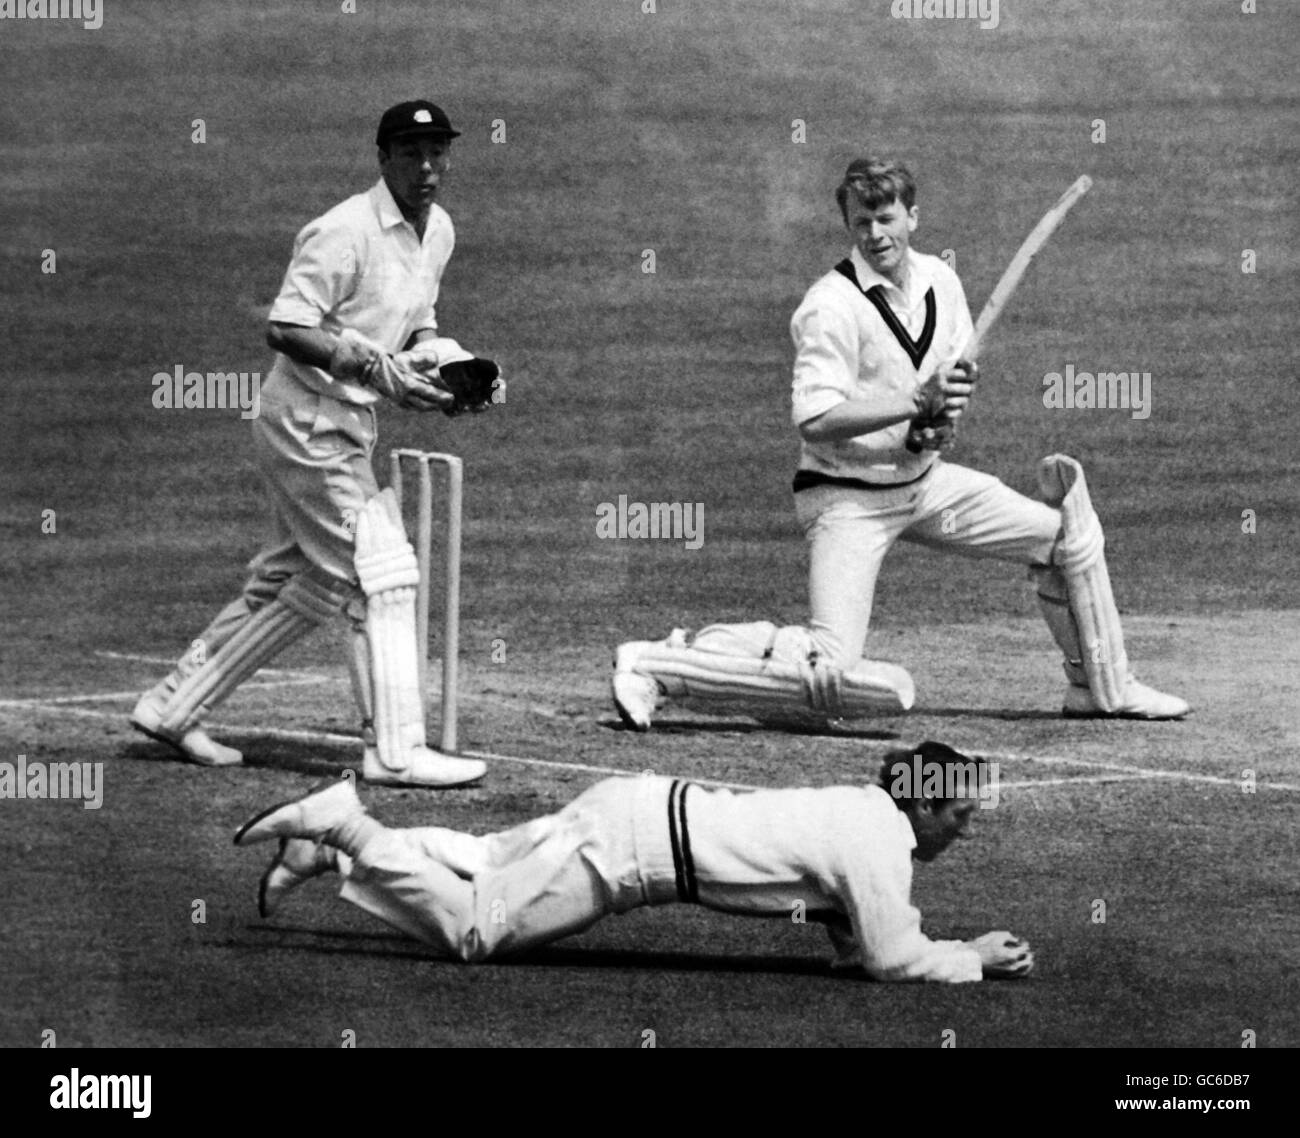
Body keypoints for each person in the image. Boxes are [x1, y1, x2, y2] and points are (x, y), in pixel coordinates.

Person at [611, 157, 1188, 729]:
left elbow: (946, 397)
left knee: (1067, 542)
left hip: (925, 485)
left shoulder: (942, 280)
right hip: (847, 498)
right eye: (861, 223)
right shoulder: (829, 306)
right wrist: (917, 401)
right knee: (831, 663)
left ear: (912, 216)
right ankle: (660, 662)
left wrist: (935, 425)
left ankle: (1099, 685)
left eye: (886, 218)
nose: (875, 234)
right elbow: (814, 418)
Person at [130, 100, 498, 788]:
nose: (426, 168)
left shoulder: (438, 230)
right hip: (306, 421)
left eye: (437, 153)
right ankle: (393, 752)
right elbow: (286, 327)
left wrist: (439, 366)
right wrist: (369, 369)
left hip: (347, 424)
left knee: (299, 578)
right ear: (383, 157)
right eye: (410, 154)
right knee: (379, 572)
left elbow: (418, 321)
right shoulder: (343, 231)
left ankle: (172, 707)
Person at [234, 740, 1035, 983]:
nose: (964, 829)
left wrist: (882, 946)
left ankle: (314, 852)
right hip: (632, 852)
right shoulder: (877, 840)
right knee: (477, 931)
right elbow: (892, 959)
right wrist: (973, 956)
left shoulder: (860, 810)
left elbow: (855, 940)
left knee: (483, 858)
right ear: (923, 803)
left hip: (634, 803)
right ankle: (349, 831)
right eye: (960, 813)